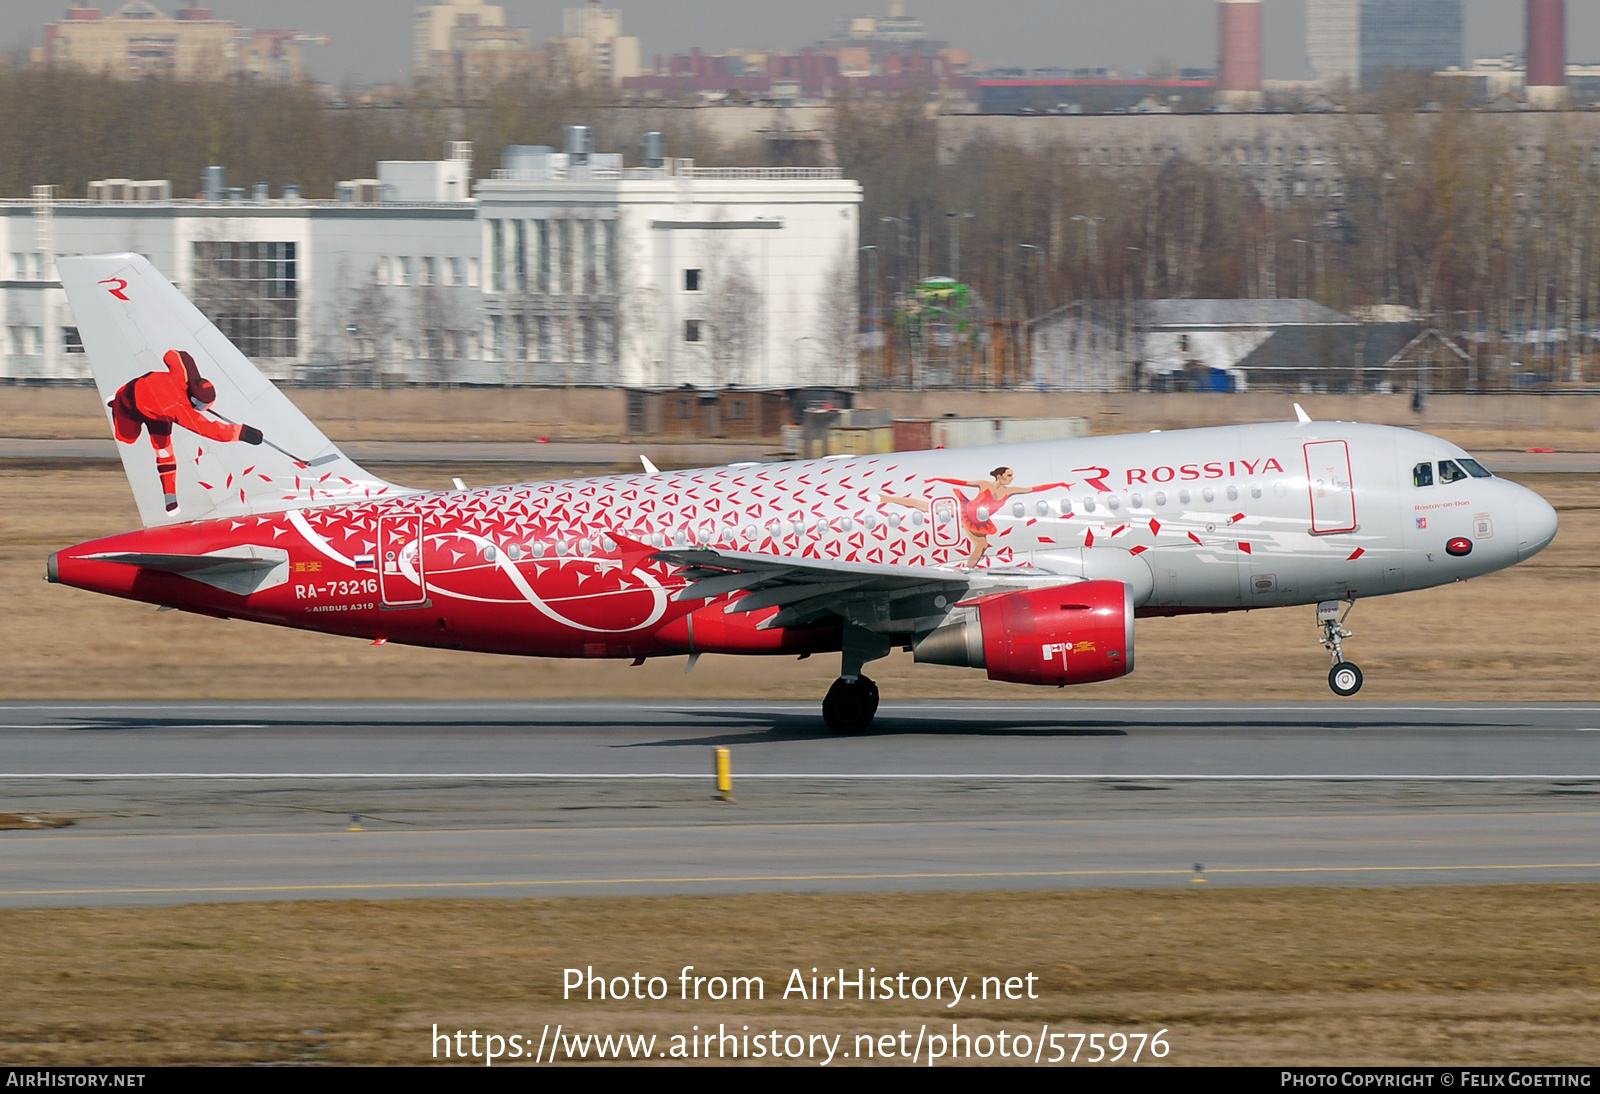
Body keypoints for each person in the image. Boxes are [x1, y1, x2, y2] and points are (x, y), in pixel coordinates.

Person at [110, 348, 263, 512]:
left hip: (159, 415)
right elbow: (213, 431)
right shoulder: (182, 411)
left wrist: (192, 373)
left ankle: (170, 499)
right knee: (128, 439)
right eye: (202, 406)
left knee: (164, 453)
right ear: (195, 400)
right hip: (129, 402)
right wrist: (242, 432)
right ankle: (114, 403)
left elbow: (171, 355)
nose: (202, 409)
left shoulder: (183, 374)